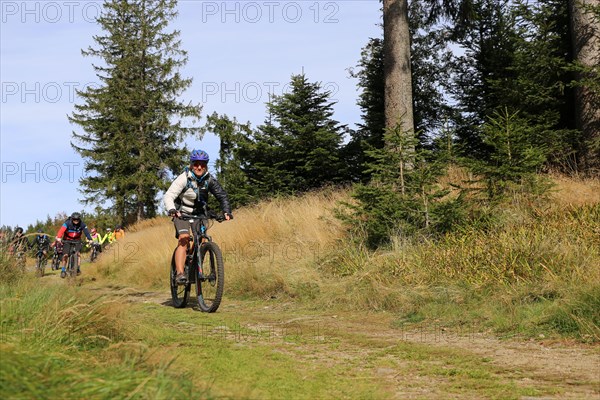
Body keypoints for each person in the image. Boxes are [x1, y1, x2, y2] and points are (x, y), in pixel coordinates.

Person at [163, 149, 232, 284]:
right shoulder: (184, 178)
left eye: (202, 164)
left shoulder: (209, 179)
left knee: (201, 240)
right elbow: (169, 195)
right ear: (191, 164)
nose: (199, 167)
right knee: (184, 239)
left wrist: (226, 211)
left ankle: (194, 267)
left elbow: (222, 195)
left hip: (200, 215)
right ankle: (180, 273)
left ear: (206, 165)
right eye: (196, 164)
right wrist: (171, 209)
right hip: (181, 214)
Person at [55, 212, 92, 278]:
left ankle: (77, 268)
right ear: (72, 219)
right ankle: (63, 270)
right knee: (65, 255)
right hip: (67, 240)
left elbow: (86, 232)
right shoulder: (67, 223)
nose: (76, 221)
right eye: (74, 219)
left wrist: (90, 239)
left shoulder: (82, 224)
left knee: (78, 254)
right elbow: (61, 231)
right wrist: (59, 237)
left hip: (77, 240)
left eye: (77, 220)